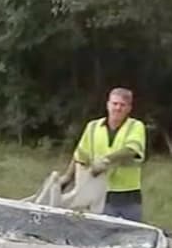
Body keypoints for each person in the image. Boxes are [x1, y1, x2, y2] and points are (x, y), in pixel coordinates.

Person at [61, 87, 147, 221]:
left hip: (128, 194)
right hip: (100, 192)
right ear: (108, 104)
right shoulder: (93, 127)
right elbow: (80, 155)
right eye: (115, 103)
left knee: (131, 234)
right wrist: (67, 177)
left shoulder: (135, 126)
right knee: (102, 233)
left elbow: (131, 149)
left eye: (122, 105)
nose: (118, 108)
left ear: (129, 108)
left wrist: (106, 161)